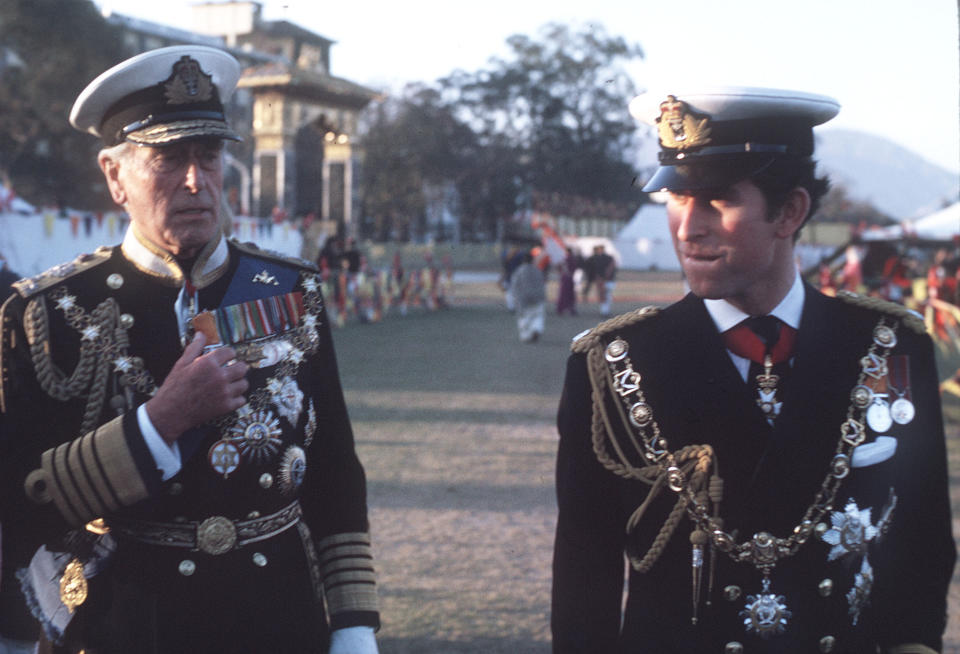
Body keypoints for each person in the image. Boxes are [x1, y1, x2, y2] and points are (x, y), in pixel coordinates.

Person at [0, 46, 379, 654]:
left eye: (208, 155)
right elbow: (20, 499)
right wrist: (159, 424)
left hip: (280, 617)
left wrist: (354, 624)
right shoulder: (48, 313)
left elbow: (333, 468)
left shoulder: (291, 288)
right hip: (127, 624)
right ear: (114, 176)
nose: (196, 181)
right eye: (169, 158)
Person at [552, 87, 954, 653]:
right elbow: (583, 571)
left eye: (716, 200)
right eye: (675, 197)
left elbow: (921, 539)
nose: (688, 228)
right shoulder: (613, 363)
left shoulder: (889, 346)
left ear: (789, 211)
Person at [510, 252, 546, 342]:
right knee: (537, 316)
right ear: (532, 260)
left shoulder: (519, 271)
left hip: (523, 299)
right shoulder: (537, 270)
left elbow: (514, 285)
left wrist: (515, 298)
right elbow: (542, 284)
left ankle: (525, 336)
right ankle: (536, 329)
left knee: (524, 317)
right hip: (537, 298)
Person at [556, 247, 579, 316]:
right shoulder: (572, 259)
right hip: (569, 277)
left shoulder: (565, 259)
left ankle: (562, 308)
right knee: (569, 294)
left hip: (565, 277)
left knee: (564, 293)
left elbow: (560, 268)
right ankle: (569, 308)